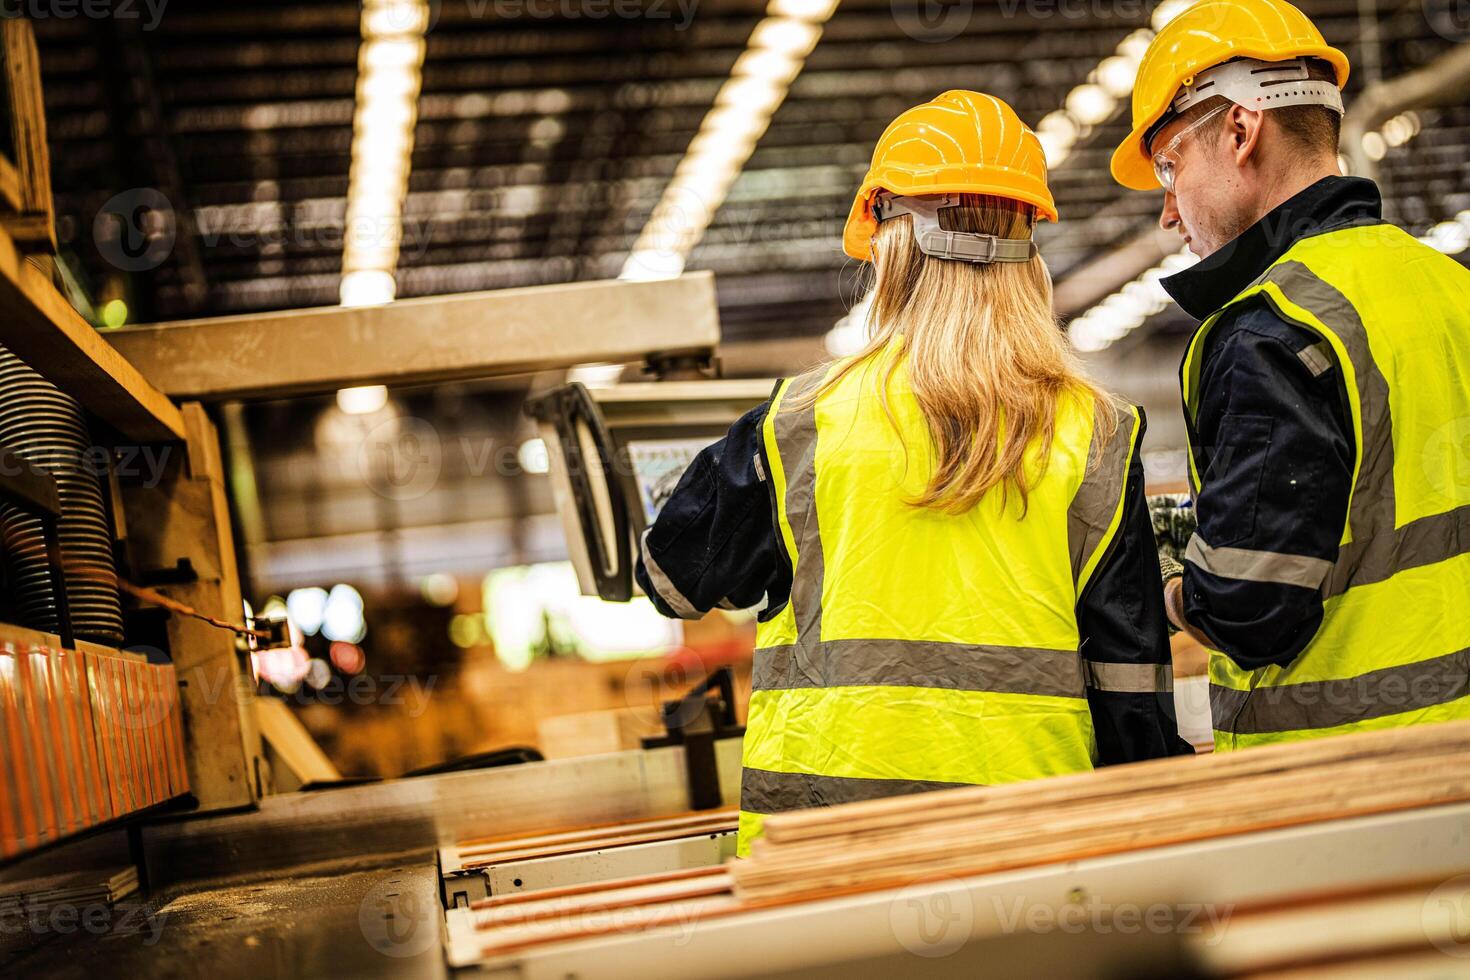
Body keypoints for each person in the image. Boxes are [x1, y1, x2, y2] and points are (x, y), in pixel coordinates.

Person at [637, 90, 1189, 856]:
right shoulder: (1098, 434)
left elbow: (669, 575)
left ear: (889, 245)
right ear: (1031, 251)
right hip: (1033, 851)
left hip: (824, 856)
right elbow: (1130, 691)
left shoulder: (801, 422)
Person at [1110, 0, 1470, 752]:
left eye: (1171, 166)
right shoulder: (1448, 287)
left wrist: (1174, 572)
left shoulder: (1275, 327)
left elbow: (1247, 606)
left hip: (1359, 785)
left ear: (1241, 132)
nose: (1169, 212)